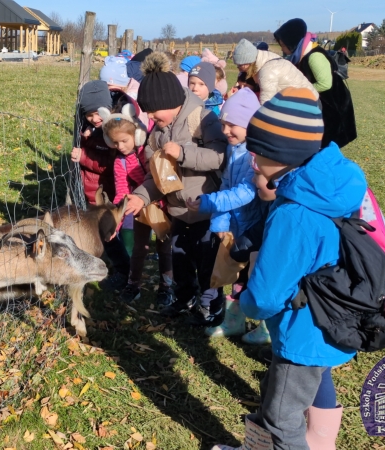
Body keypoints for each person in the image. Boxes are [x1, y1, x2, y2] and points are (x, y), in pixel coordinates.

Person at [213, 87, 362, 450]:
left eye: (257, 151)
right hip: (329, 316)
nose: (251, 159)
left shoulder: (293, 213)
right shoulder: (329, 187)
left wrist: (244, 302)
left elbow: (265, 295)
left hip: (301, 332)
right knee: (286, 402)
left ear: (281, 154)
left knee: (282, 417)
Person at [123, 52, 228, 317]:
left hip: (205, 208)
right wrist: (141, 197)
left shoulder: (203, 120)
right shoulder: (157, 133)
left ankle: (211, 306)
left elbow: (219, 157)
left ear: (169, 103)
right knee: (180, 258)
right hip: (178, 210)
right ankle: (185, 298)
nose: (150, 118)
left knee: (207, 262)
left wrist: (182, 154)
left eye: (153, 113)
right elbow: (157, 176)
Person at [183, 87, 267, 334]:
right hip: (235, 223)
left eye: (233, 125)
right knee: (234, 272)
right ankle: (234, 320)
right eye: (223, 124)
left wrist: (209, 203)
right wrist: (220, 222)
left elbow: (245, 192)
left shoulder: (254, 155)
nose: (226, 131)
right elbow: (227, 185)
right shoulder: (234, 149)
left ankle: (264, 326)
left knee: (253, 274)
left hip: (253, 224)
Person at [100, 104, 175, 304]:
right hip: (138, 208)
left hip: (161, 206)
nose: (121, 147)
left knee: (164, 247)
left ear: (138, 135)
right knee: (139, 248)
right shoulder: (120, 162)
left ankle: (167, 287)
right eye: (115, 143)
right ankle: (133, 284)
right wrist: (116, 219)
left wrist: (162, 201)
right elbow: (121, 190)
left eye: (124, 141)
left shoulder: (149, 152)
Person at [71, 80, 130, 290]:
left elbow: (109, 165)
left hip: (109, 194)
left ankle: (124, 272)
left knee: (111, 234)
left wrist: (84, 155)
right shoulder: (90, 128)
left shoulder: (113, 131)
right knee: (103, 235)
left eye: (98, 113)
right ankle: (108, 266)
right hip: (92, 191)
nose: (95, 118)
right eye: (89, 115)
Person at [275, 18, 357, 148]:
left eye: (283, 45)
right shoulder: (302, 55)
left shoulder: (314, 56)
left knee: (327, 146)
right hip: (322, 106)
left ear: (293, 43)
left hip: (333, 106)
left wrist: (299, 91)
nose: (282, 49)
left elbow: (325, 84)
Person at [231, 39, 317, 105]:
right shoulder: (266, 59)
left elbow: (266, 105)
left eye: (239, 65)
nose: (238, 68)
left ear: (247, 62)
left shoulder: (267, 71)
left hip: (306, 104)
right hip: (304, 101)